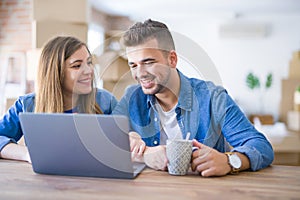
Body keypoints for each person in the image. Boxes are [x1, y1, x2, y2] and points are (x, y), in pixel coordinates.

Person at [112, 19, 274, 177]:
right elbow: (104, 141)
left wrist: (229, 161)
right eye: (133, 65)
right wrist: (136, 147)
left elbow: (261, 147)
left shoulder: (213, 98)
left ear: (172, 59)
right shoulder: (132, 97)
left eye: (148, 62)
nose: (140, 73)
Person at [0, 36, 118, 163]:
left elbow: (130, 138)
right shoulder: (27, 105)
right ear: (56, 72)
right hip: (45, 179)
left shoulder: (105, 101)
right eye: (77, 66)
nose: (89, 71)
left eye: (89, 63)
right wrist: (28, 154)